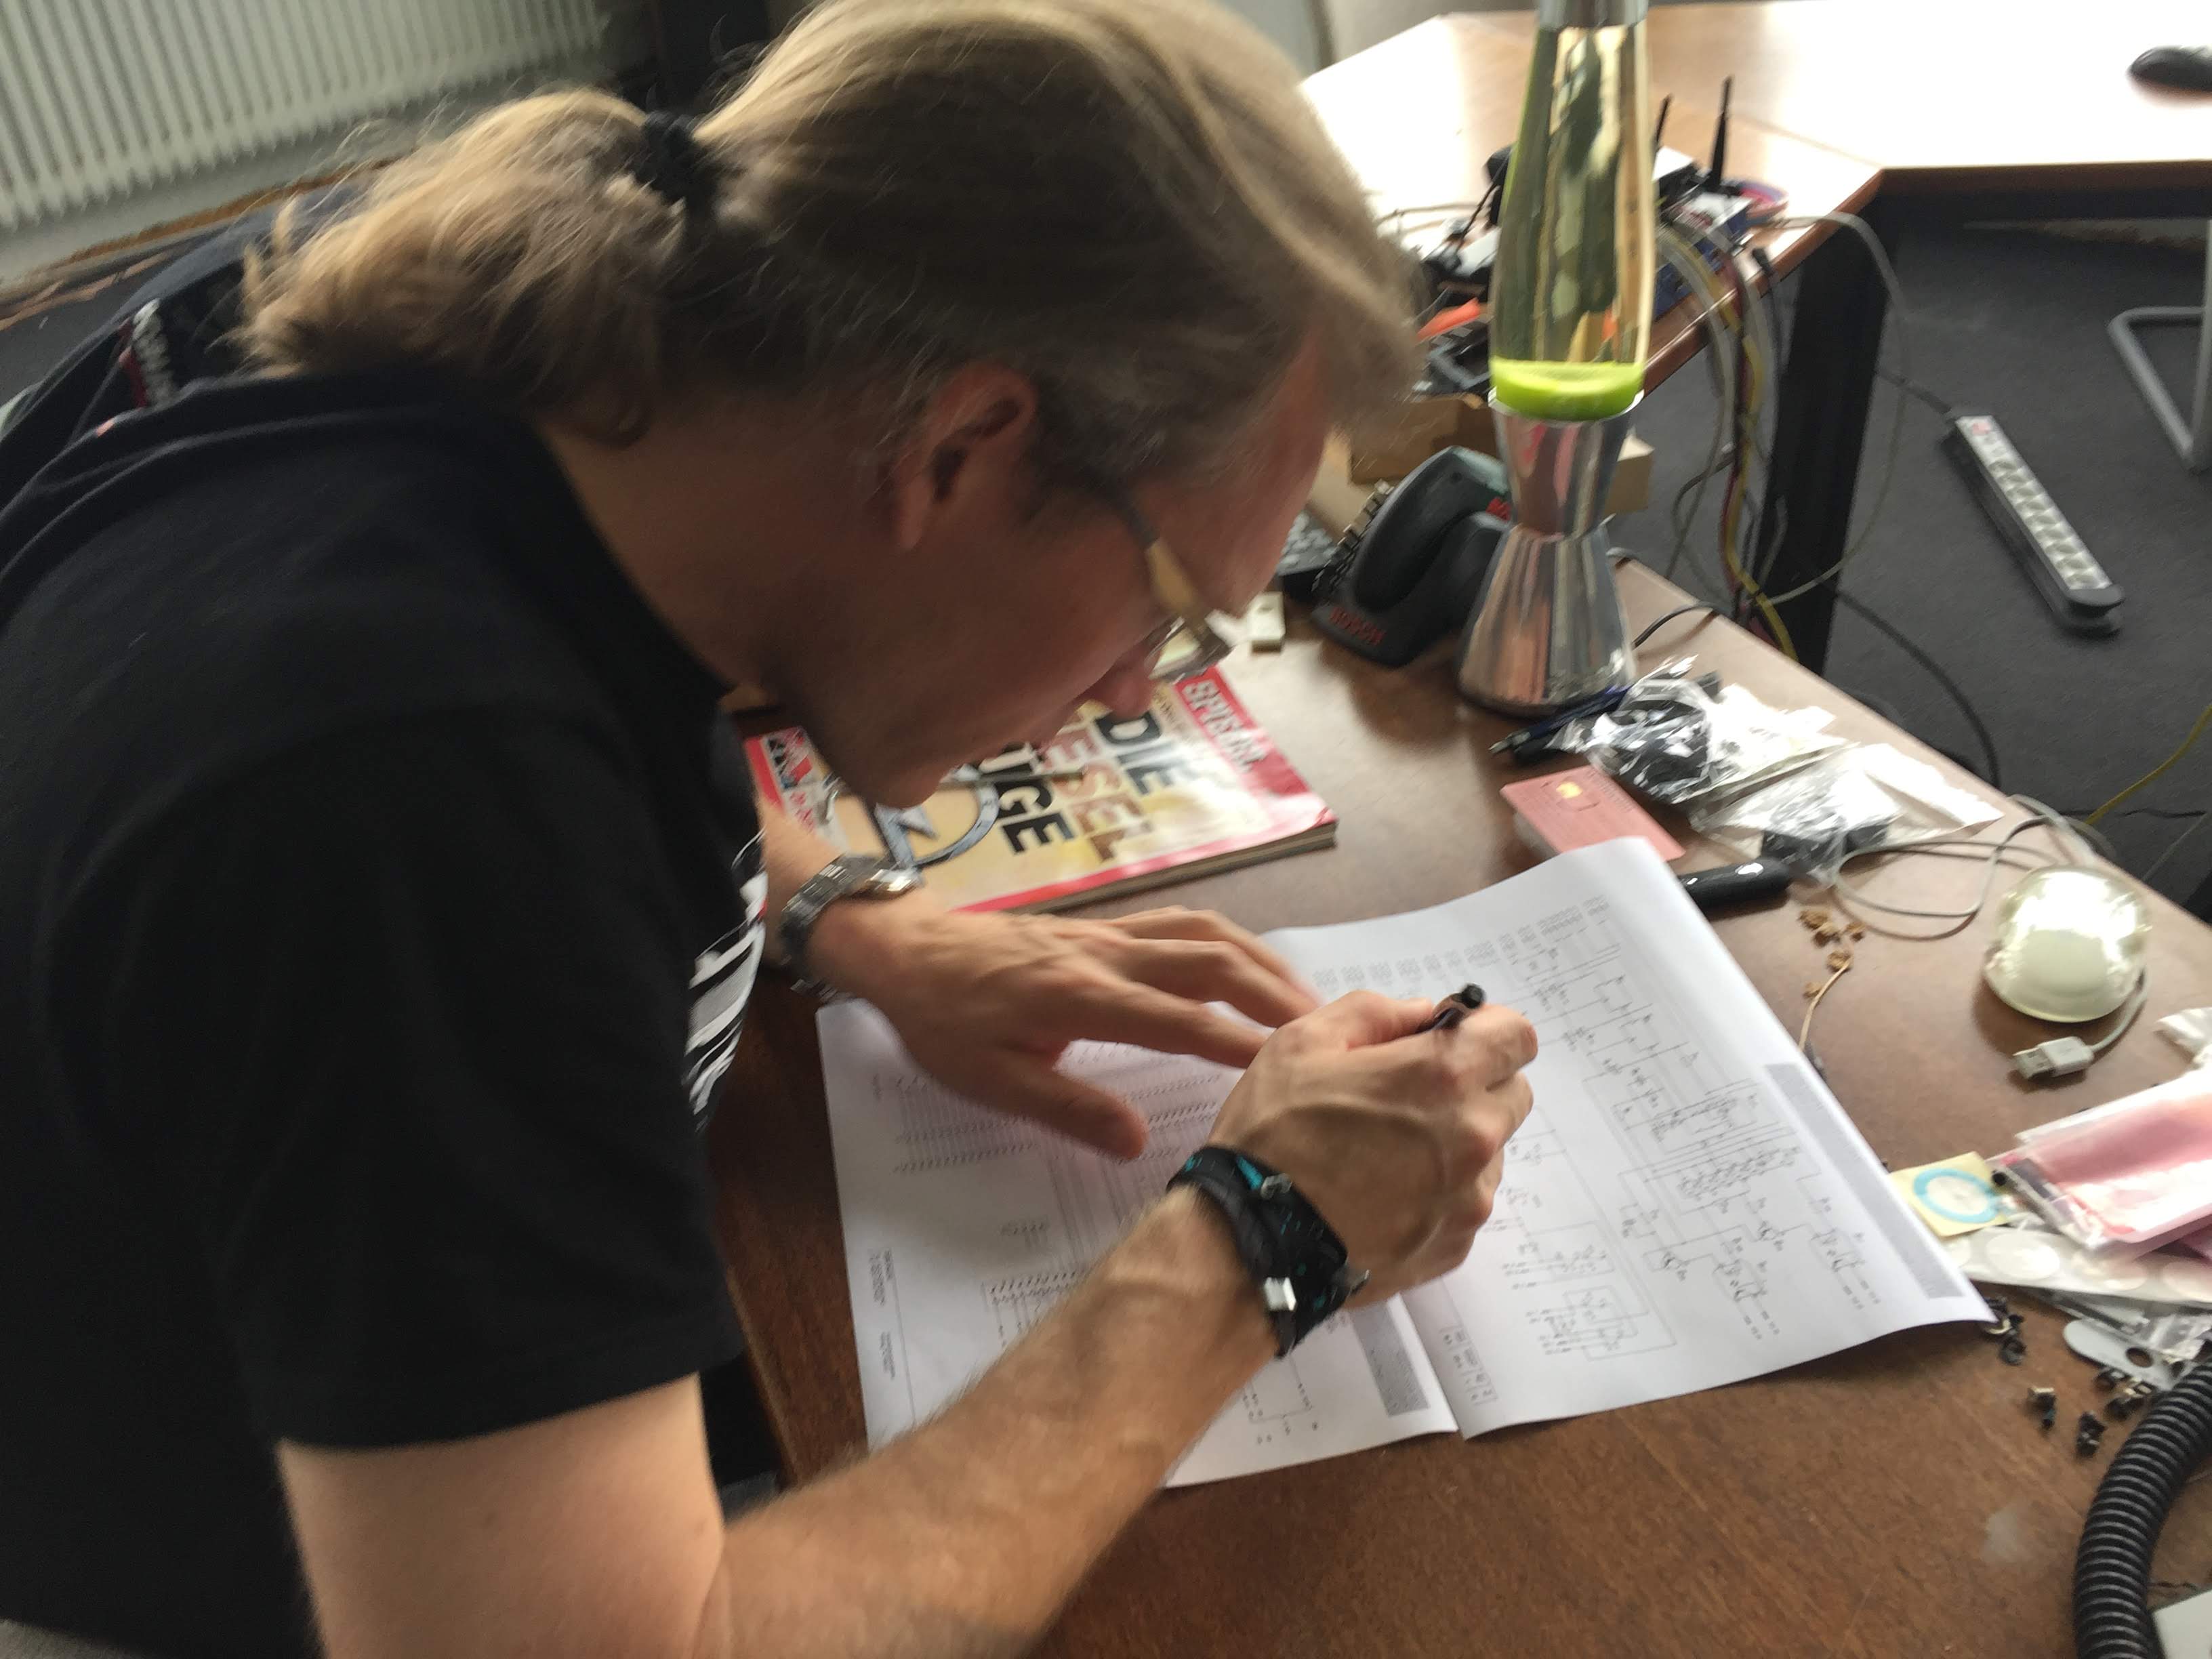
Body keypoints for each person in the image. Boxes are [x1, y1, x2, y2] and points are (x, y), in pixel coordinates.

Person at [0, 2, 1537, 1655]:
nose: (1123, 698)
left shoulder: (473, 345)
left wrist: (854, 921)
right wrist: (1265, 1237)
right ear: (961, 448)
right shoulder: (424, 814)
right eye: (1166, 610)